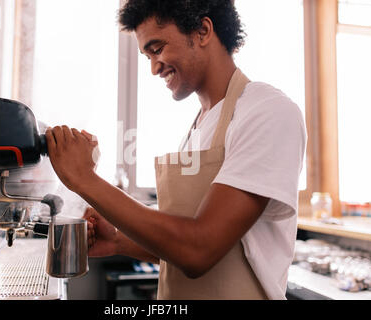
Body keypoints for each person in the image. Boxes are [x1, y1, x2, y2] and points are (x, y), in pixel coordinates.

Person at [45, 0, 307, 300]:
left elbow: (199, 249)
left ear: (202, 30)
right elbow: (182, 248)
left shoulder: (267, 111)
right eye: (147, 56)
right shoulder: (200, 124)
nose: (155, 68)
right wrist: (119, 241)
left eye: (157, 49)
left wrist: (84, 179)